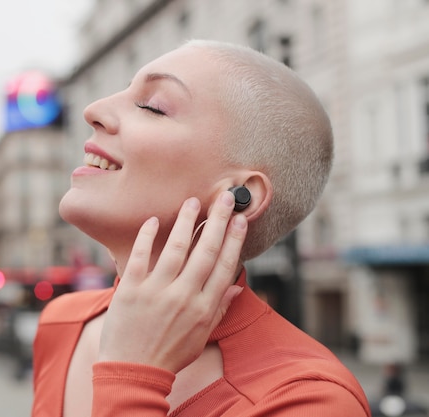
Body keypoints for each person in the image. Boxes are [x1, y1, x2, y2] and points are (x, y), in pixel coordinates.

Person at [31, 40, 370, 416]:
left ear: (239, 196)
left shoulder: (308, 399)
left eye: (152, 107)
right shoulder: (63, 321)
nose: (93, 111)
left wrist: (133, 375)